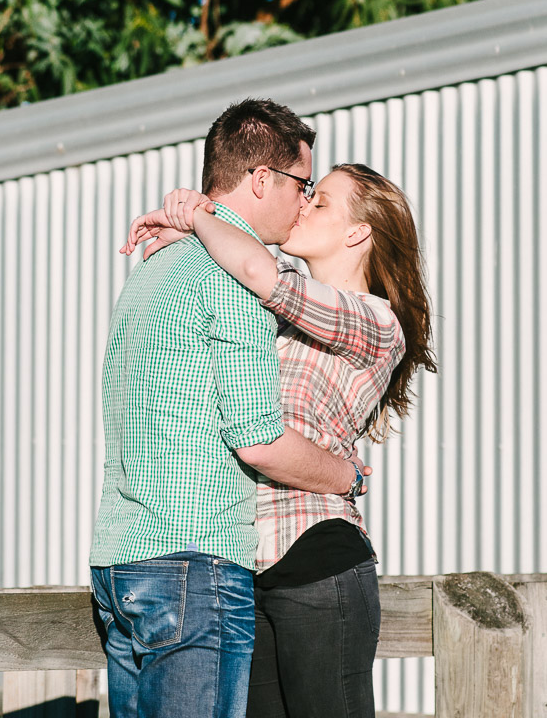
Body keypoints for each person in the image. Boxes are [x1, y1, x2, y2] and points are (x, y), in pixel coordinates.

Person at [124, 161, 436, 718]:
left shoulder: (374, 321)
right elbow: (243, 270)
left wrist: (201, 213)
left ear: (356, 233)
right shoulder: (283, 308)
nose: (303, 205)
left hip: (315, 554)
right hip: (245, 562)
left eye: (321, 202)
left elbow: (261, 273)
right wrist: (187, 233)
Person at [89, 99, 368, 718]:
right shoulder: (233, 282)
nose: (304, 201)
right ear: (261, 179)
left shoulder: (154, 268)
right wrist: (347, 475)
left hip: (118, 561)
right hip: (192, 567)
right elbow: (258, 441)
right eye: (302, 184)